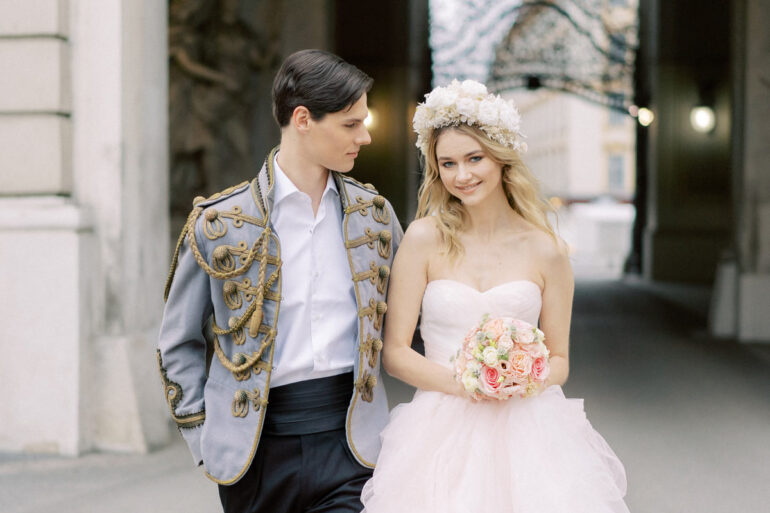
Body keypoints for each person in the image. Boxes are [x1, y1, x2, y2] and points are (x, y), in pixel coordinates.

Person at [360, 79, 629, 512]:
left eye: (474, 158)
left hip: (530, 429)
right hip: (437, 427)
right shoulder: (423, 239)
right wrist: (471, 384)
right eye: (447, 164)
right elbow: (395, 353)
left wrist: (517, 380)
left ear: (502, 159)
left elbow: (559, 360)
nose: (461, 175)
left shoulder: (548, 250)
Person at [157, 49, 402, 513]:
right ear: (303, 119)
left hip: (352, 444)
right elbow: (178, 343)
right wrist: (203, 438)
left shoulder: (375, 218)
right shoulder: (219, 224)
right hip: (254, 454)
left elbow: (417, 315)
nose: (365, 137)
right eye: (351, 124)